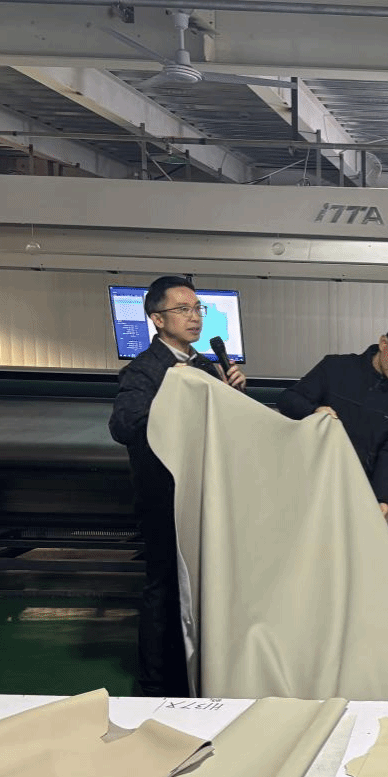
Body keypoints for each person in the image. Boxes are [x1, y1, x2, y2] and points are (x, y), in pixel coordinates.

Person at [109, 275, 246, 697]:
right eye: (182, 310)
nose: (194, 317)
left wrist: (233, 395)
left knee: (203, 586)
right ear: (157, 319)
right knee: (165, 586)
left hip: (204, 494)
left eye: (197, 309)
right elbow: (124, 426)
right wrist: (175, 390)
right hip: (164, 497)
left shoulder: (206, 365)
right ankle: (154, 685)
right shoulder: (144, 370)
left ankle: (196, 671)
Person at [277, 320, 388, 519]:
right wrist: (314, 411)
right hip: (310, 482)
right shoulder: (335, 368)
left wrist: (383, 498)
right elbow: (288, 400)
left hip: (356, 490)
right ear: (384, 343)